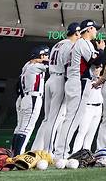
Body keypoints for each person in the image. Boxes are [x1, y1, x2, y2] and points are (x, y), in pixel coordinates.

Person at [54, 19, 104, 158]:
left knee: (71, 118)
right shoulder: (83, 42)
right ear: (88, 29)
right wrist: (100, 50)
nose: (96, 31)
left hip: (75, 80)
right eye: (95, 29)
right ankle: (61, 153)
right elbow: (97, 61)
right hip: (78, 82)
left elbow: (93, 65)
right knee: (73, 118)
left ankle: (61, 151)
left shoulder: (79, 43)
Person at [32, 23, 80, 152]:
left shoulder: (58, 44)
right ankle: (48, 151)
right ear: (76, 32)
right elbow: (67, 65)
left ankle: (36, 149)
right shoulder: (71, 45)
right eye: (79, 32)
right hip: (60, 79)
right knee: (55, 118)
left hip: (50, 79)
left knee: (47, 119)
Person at [12, 45, 49, 155]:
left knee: (20, 127)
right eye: (46, 55)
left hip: (23, 98)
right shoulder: (36, 66)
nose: (48, 57)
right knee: (26, 128)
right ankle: (18, 155)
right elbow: (54, 65)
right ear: (41, 55)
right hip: (33, 97)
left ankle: (12, 153)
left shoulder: (27, 65)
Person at [72, 65, 103, 153]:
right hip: (88, 107)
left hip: (99, 107)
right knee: (82, 131)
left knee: (91, 133)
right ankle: (75, 152)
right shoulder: (87, 80)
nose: (97, 70)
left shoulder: (103, 80)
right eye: (95, 68)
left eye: (99, 68)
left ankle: (87, 153)